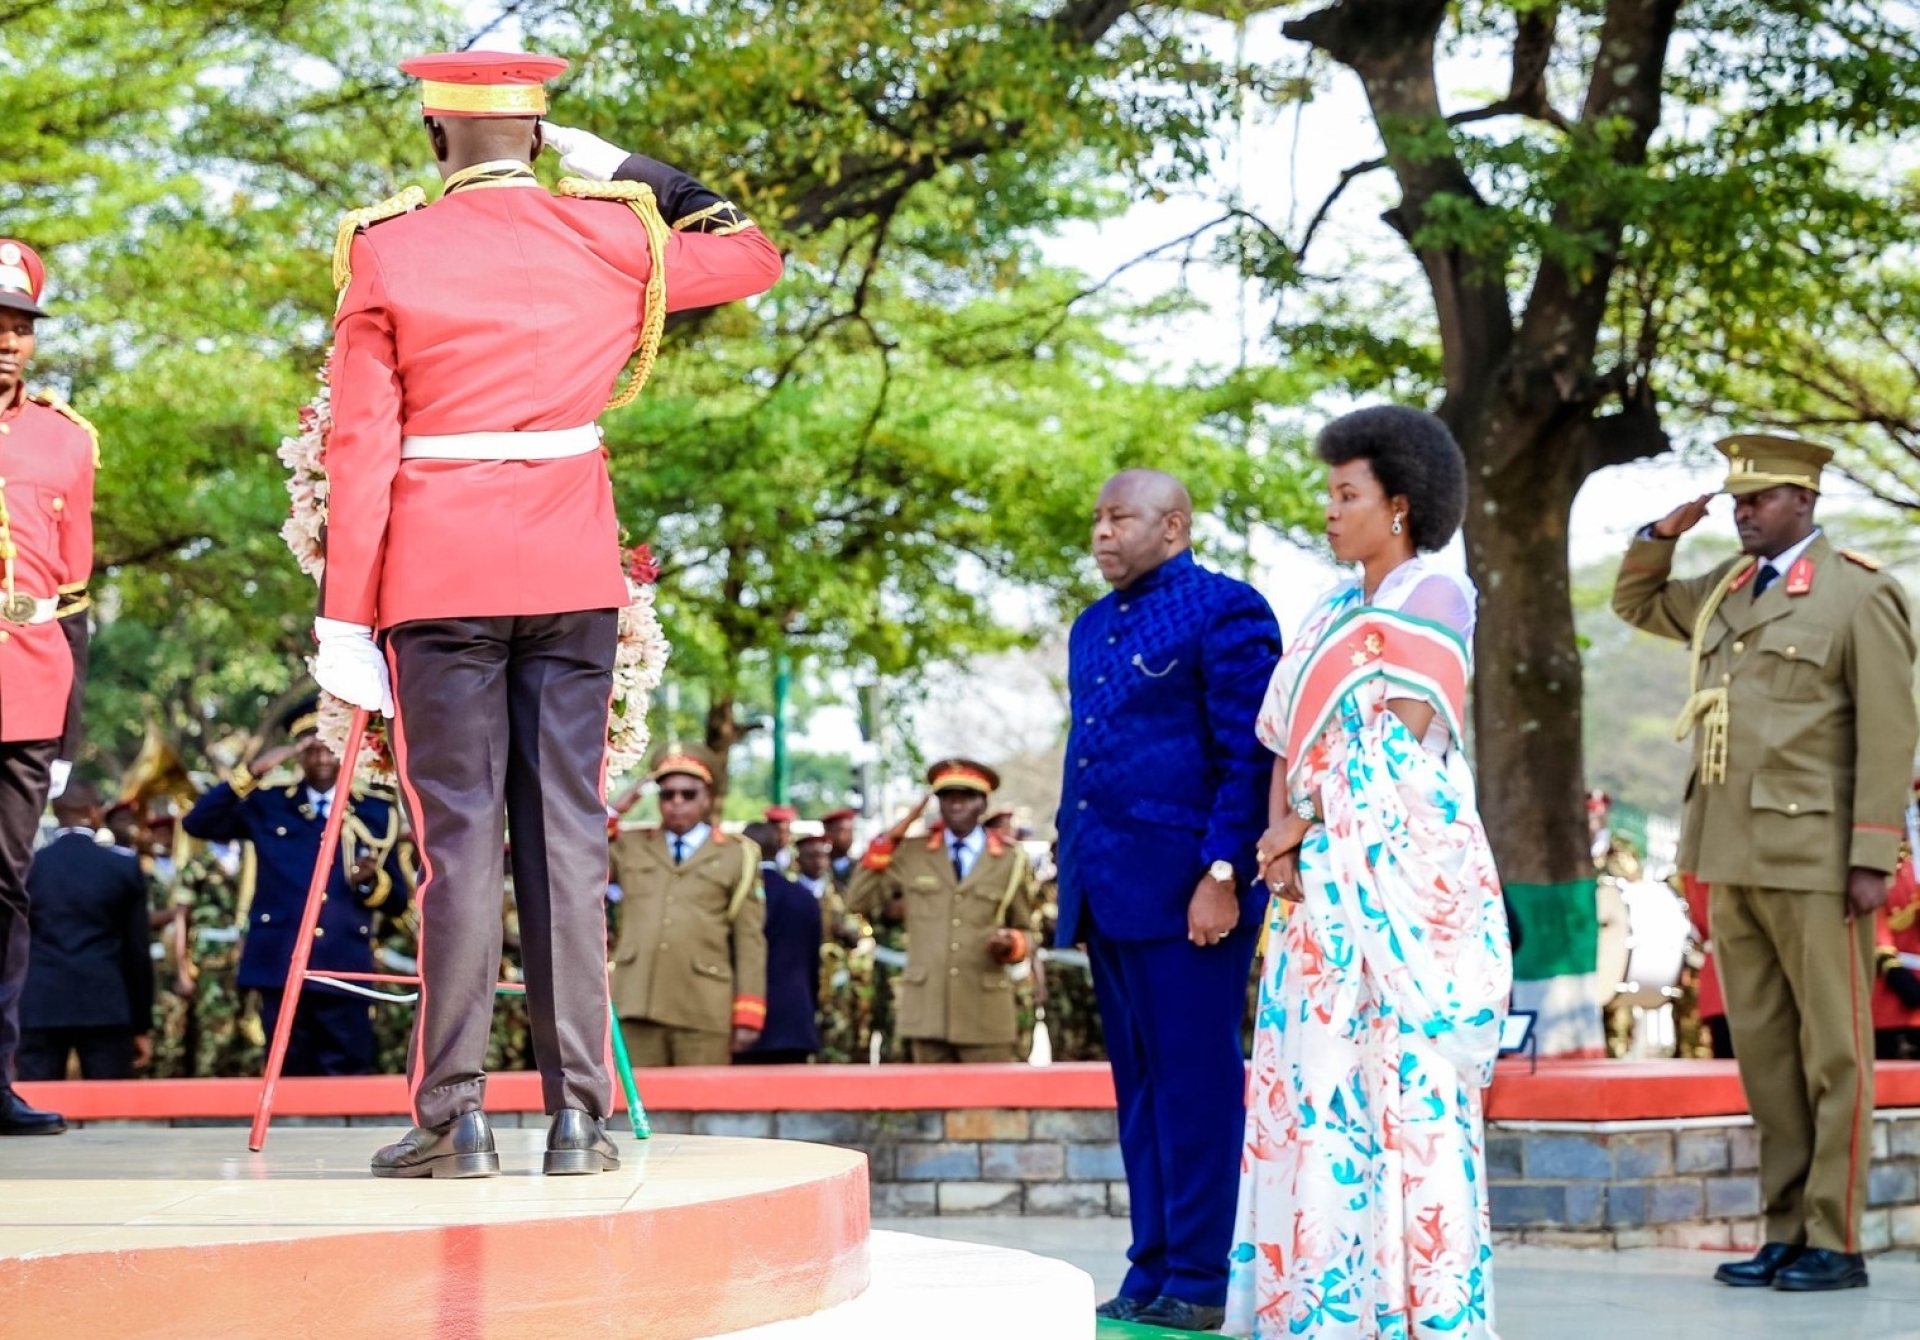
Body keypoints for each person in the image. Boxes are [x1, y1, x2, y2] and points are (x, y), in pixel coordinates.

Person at [308, 52, 781, 1177]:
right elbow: (755, 254)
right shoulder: (615, 234)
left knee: (460, 844)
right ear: (540, 135)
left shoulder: (388, 248)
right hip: (572, 575)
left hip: (438, 581)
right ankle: (580, 1119)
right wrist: (635, 171)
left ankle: (454, 1117)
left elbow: (360, 448)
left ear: (435, 139)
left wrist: (343, 620)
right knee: (567, 838)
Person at [1226, 407, 1510, 1339]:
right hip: (1315, 892)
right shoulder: (1327, 613)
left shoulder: (1439, 595)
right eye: (1330, 493)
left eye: (1347, 494)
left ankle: (1411, 1310)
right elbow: (1281, 740)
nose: (1329, 511)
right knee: (1315, 1094)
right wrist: (1280, 845)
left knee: (1397, 1091)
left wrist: (1304, 826)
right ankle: (1318, 1310)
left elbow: (1403, 750)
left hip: (1393, 890)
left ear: (1400, 505)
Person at [1612, 433, 1918, 1292]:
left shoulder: (1860, 593)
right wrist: (1660, 536)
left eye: (1760, 499)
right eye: (1737, 500)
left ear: (1805, 501)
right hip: (1729, 850)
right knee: (1766, 1056)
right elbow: (1638, 604)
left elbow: (1889, 732)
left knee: (1834, 1055)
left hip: (1817, 856)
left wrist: (1873, 855)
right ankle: (1785, 1232)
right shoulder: (1727, 588)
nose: (1742, 512)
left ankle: (1835, 1239)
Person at [1054, 469, 1280, 1331]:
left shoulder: (1225, 609)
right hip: (1107, 892)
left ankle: (1198, 1276)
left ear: (1174, 527)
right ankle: (1150, 1265)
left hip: (1190, 897)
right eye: (1096, 518)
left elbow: (1248, 756)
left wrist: (1223, 873)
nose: (1102, 533)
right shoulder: (1090, 624)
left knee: (1196, 1088)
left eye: (1120, 518)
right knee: (1141, 1093)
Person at [181, 700, 408, 1077]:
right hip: (280, 963)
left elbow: (399, 901)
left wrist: (370, 882)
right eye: (310, 748)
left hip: (344, 964)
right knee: (287, 1075)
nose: (321, 758)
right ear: (297, 753)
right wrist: (253, 771)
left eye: (331, 747)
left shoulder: (375, 811)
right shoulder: (270, 804)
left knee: (347, 1075)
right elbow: (198, 822)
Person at [0, 239, 95, 1134]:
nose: (7, 340)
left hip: (27, 689)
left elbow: (74, 597)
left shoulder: (68, 438)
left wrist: (69, 734)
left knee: (6, 888)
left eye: (21, 326)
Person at [847, 759, 1035, 1063]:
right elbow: (858, 899)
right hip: (927, 1012)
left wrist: (1012, 944)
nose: (956, 804)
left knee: (988, 1095)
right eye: (947, 796)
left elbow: (1026, 929)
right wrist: (889, 838)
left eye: (966, 796)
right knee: (930, 1095)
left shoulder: (1010, 860)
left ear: (983, 804)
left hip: (985, 1012)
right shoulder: (912, 853)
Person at [609, 747, 767, 1065]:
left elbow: (749, 939)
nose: (677, 802)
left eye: (688, 794)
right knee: (635, 1096)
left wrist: (748, 1012)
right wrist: (614, 811)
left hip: (703, 1007)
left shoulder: (737, 854)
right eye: (667, 794)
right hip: (636, 1000)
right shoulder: (629, 845)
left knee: (701, 1096)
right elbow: (576, 857)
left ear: (706, 797)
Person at [17, 781, 154, 1080]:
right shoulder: (122, 866)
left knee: (35, 1099)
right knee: (109, 1103)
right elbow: (137, 950)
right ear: (94, 812)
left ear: (56, 812)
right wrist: (141, 1023)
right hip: (106, 1004)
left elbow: (13, 943)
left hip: (40, 1004)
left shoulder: (30, 867)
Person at [735, 821, 822, 1065]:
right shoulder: (804, 896)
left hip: (744, 1018)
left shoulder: (738, 896)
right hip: (795, 1018)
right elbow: (813, 962)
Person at [821, 808, 858, 891]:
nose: (849, 836)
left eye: (851, 831)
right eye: (843, 831)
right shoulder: (818, 866)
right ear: (829, 833)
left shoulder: (859, 866)